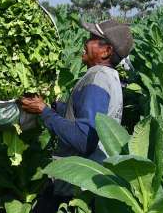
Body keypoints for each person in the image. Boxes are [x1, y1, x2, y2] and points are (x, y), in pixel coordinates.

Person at [21, 19, 133, 212]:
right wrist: (55, 106)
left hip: (74, 188)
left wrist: (44, 112)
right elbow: (87, 117)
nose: (85, 42)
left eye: (92, 39)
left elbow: (84, 138)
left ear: (106, 51)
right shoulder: (110, 77)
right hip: (86, 182)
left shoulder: (97, 78)